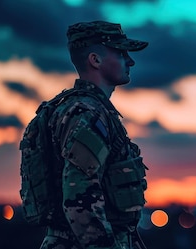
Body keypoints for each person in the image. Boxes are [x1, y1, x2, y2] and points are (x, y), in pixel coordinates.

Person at [39, 20, 150, 249]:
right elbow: (81, 202)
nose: (130, 60)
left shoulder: (81, 109)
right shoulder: (87, 114)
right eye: (120, 53)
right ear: (95, 60)